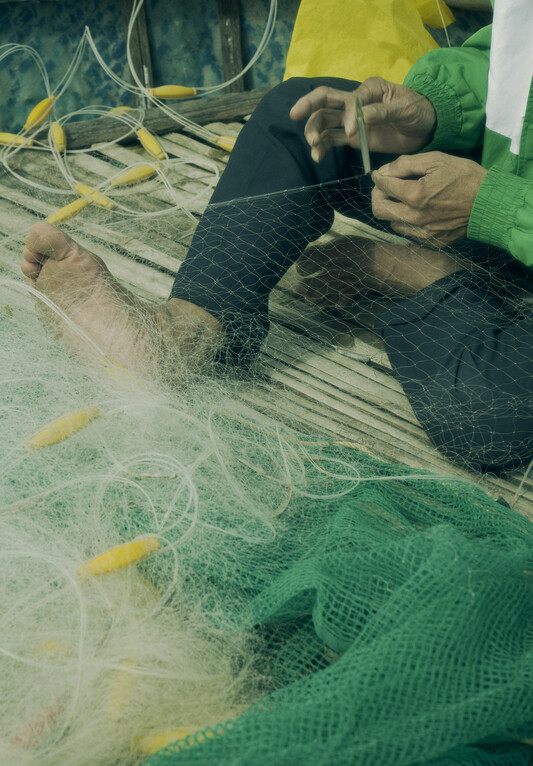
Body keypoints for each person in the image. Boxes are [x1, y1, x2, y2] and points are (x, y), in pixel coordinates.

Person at [21, 1, 533, 470]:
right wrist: (438, 110)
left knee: (487, 412)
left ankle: (429, 272)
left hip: (508, 205)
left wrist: (496, 207)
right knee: (300, 118)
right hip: (508, 188)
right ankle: (187, 332)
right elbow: (513, 59)